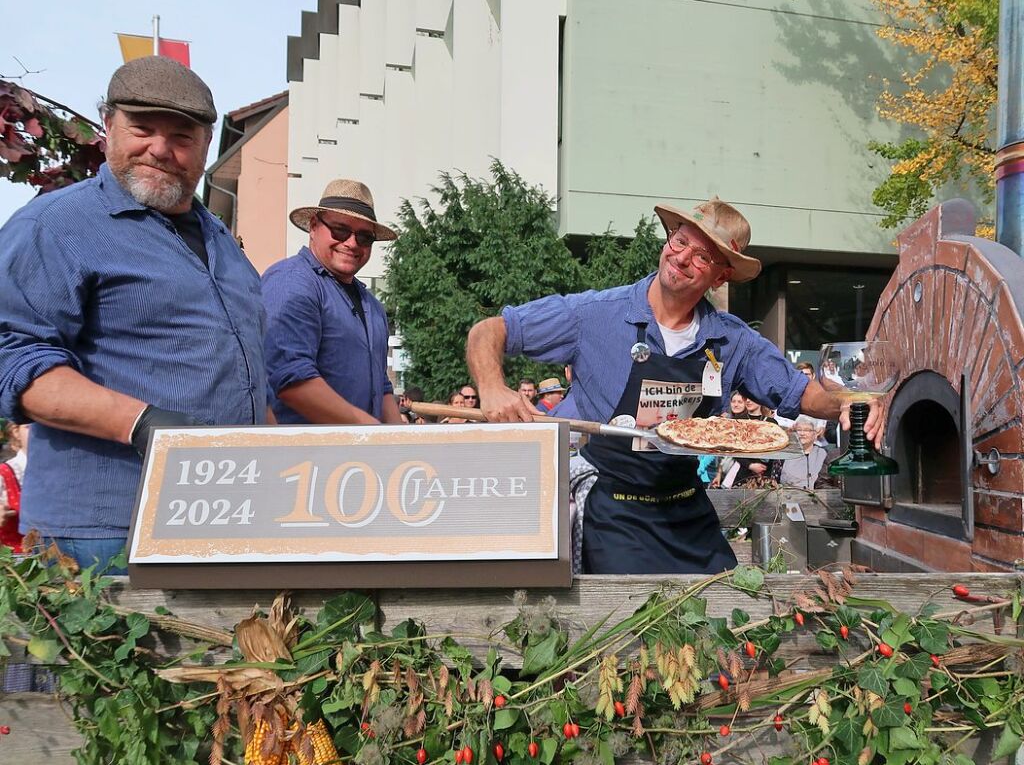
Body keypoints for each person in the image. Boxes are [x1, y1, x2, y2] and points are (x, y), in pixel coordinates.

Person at [466, 197, 880, 574]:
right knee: (634, 630)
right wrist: (493, 387)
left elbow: (800, 393)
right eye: (679, 241)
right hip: (613, 505)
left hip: (686, 506)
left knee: (723, 609)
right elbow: (489, 331)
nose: (681, 258)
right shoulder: (594, 315)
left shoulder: (731, 339)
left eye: (701, 256)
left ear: (721, 276)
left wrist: (853, 403)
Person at [0, 57, 268, 573]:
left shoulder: (222, 243)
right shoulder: (55, 225)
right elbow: (13, 359)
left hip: (226, 520)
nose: (161, 150)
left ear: (206, 145)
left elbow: (249, 376)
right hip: (103, 532)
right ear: (109, 125)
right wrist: (143, 424)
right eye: (142, 129)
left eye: (182, 137)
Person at [262, 179, 402, 425]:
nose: (351, 243)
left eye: (364, 237)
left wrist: (399, 442)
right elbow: (291, 380)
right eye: (340, 230)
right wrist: (371, 430)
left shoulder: (373, 306)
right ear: (314, 226)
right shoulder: (292, 282)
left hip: (359, 457)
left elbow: (382, 385)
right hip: (304, 458)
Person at [780, 416, 832, 489]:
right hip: (790, 496)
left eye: (807, 430)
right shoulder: (784, 455)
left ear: (815, 434)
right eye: (799, 430)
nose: (802, 433)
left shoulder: (823, 454)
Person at [0, 422, 28, 554]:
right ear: (16, 432)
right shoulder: (4, 474)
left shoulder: (65, 472)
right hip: (16, 566)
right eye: (31, 426)